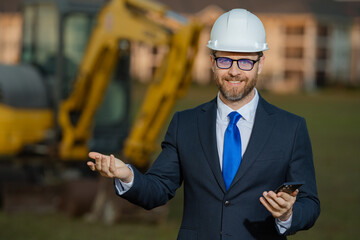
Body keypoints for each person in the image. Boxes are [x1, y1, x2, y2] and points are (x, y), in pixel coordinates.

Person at [87, 9, 320, 239]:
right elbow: (158, 189)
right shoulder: (185, 124)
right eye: (225, 60)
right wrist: (127, 175)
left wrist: (287, 214)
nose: (234, 71)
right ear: (212, 62)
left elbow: (310, 203)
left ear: (260, 63)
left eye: (245, 62)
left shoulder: (291, 128)